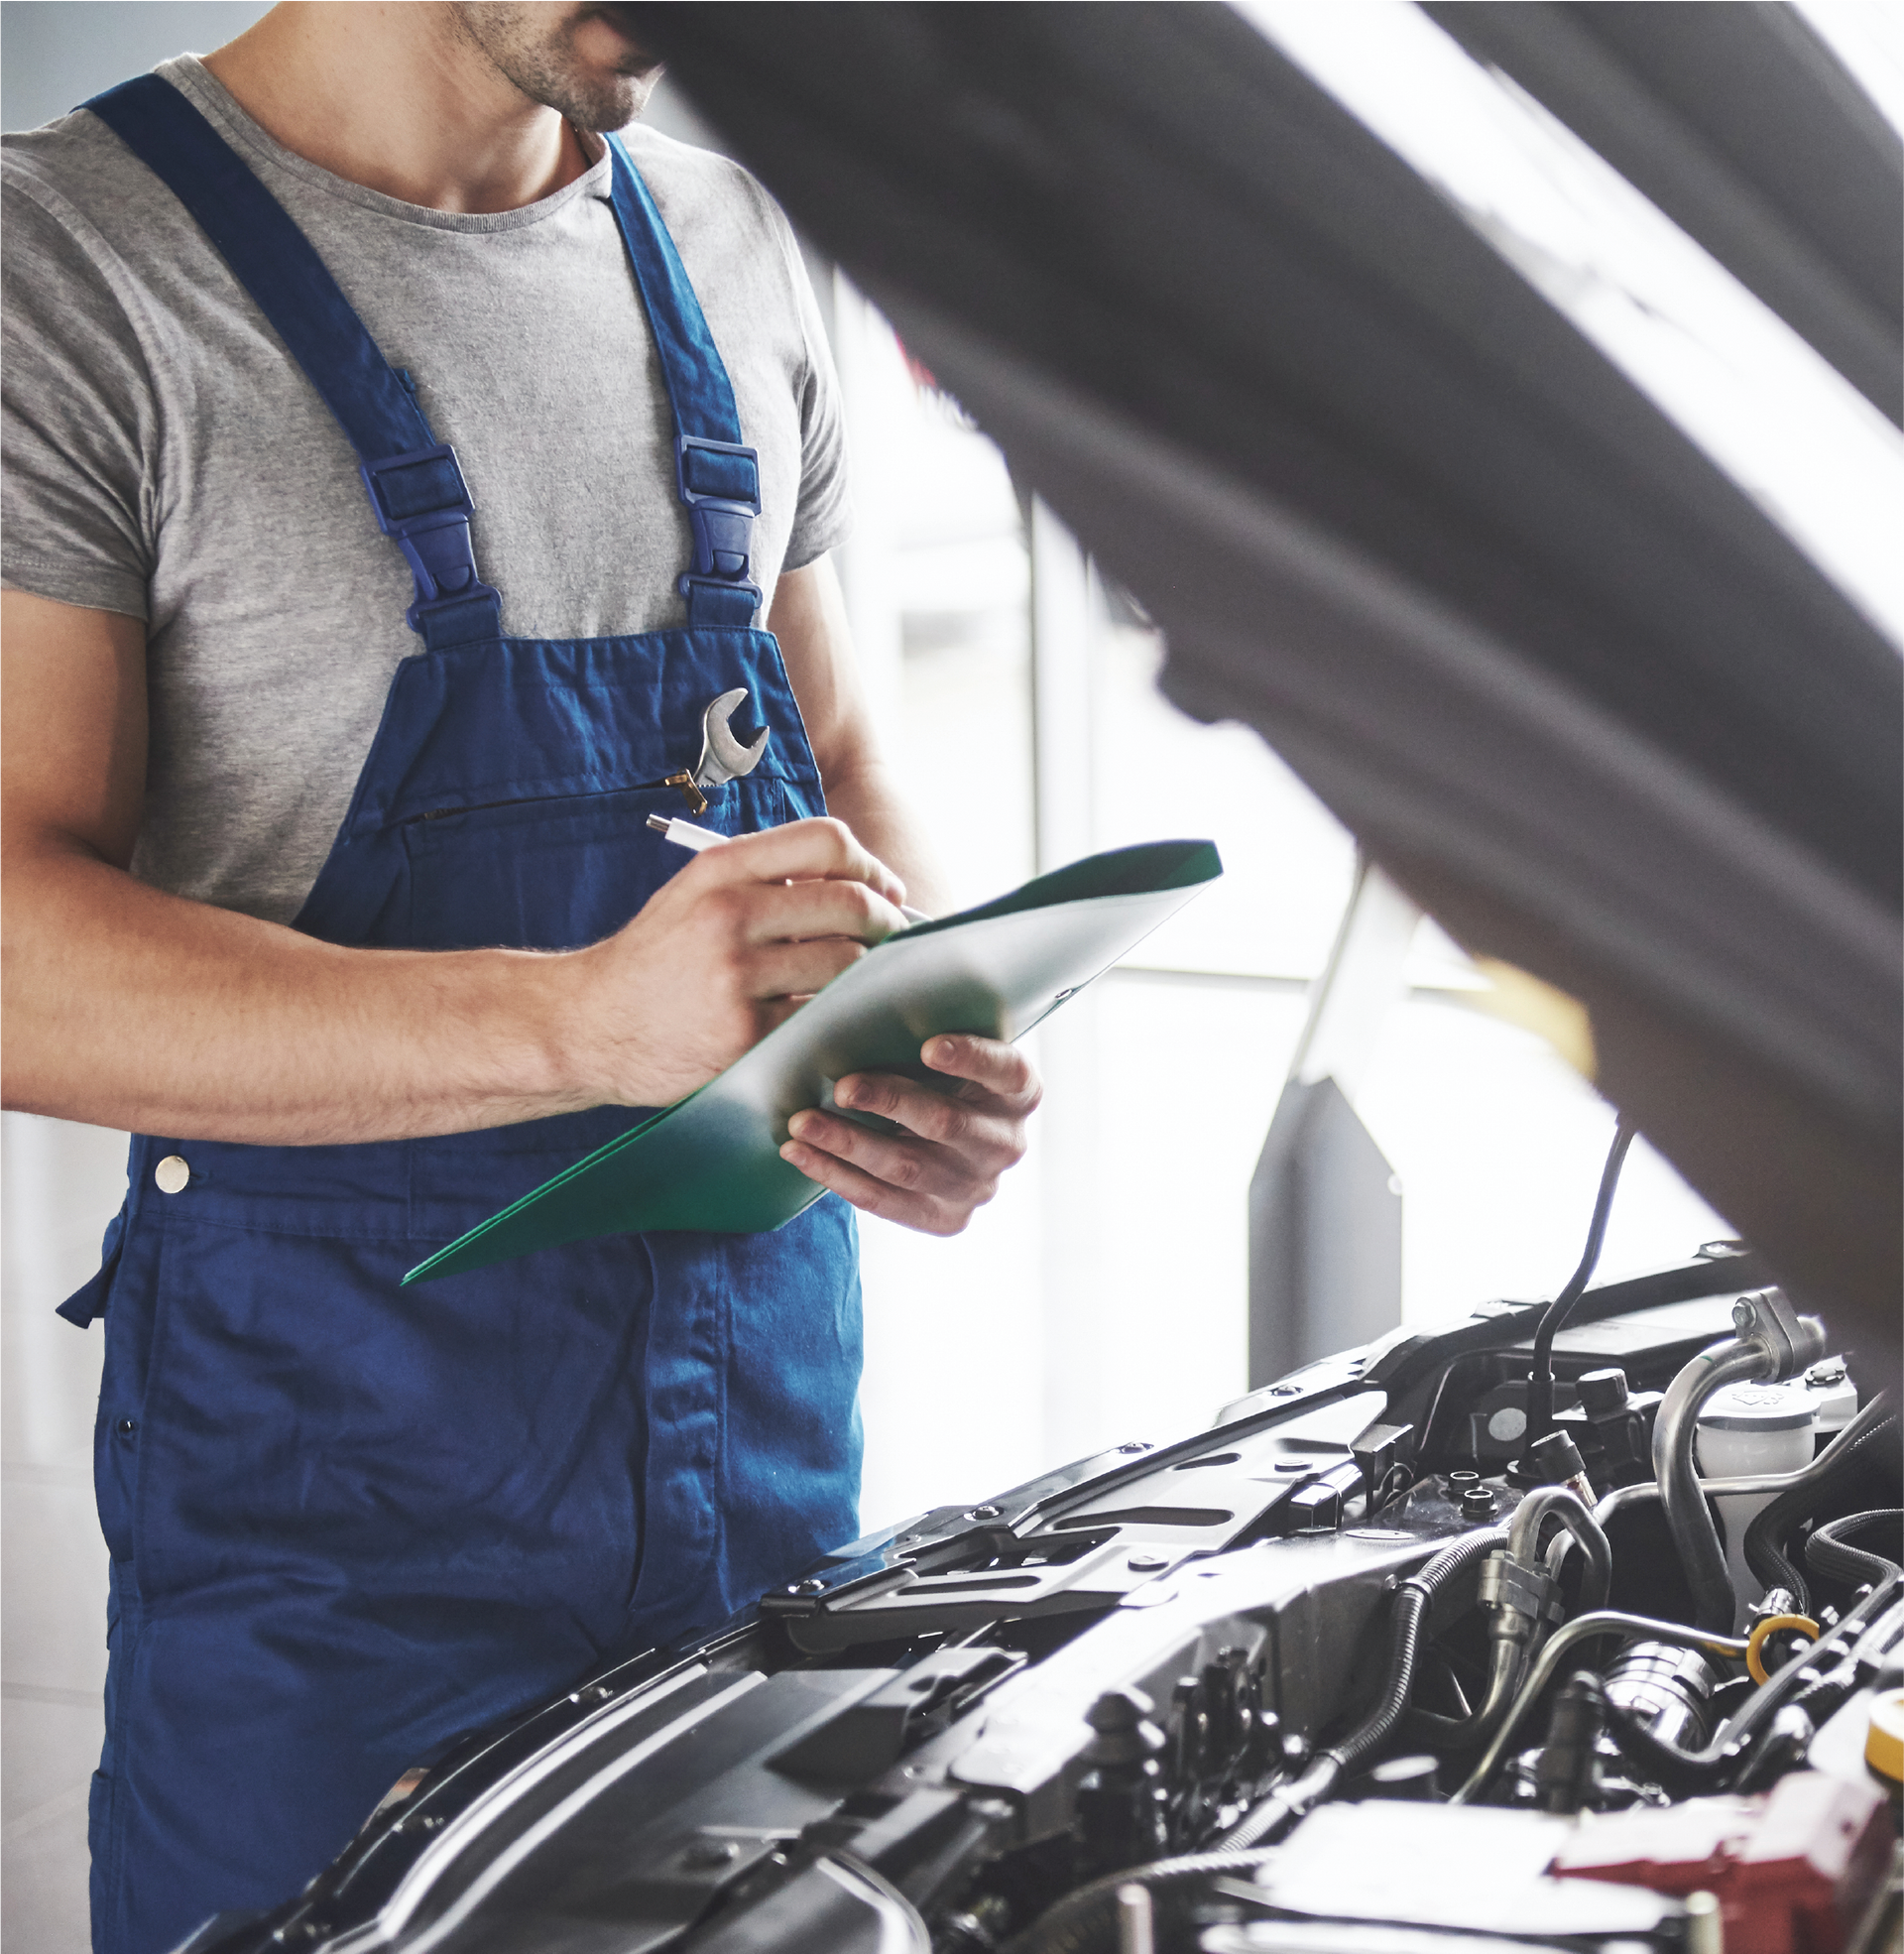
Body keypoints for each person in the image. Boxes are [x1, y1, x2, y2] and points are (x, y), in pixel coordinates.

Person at [0, 3, 1041, 1949]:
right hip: (339, 1564)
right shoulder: (60, 270)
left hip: (767, 1509)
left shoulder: (737, 239)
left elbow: (841, 749)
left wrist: (921, 1030)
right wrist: (576, 1020)